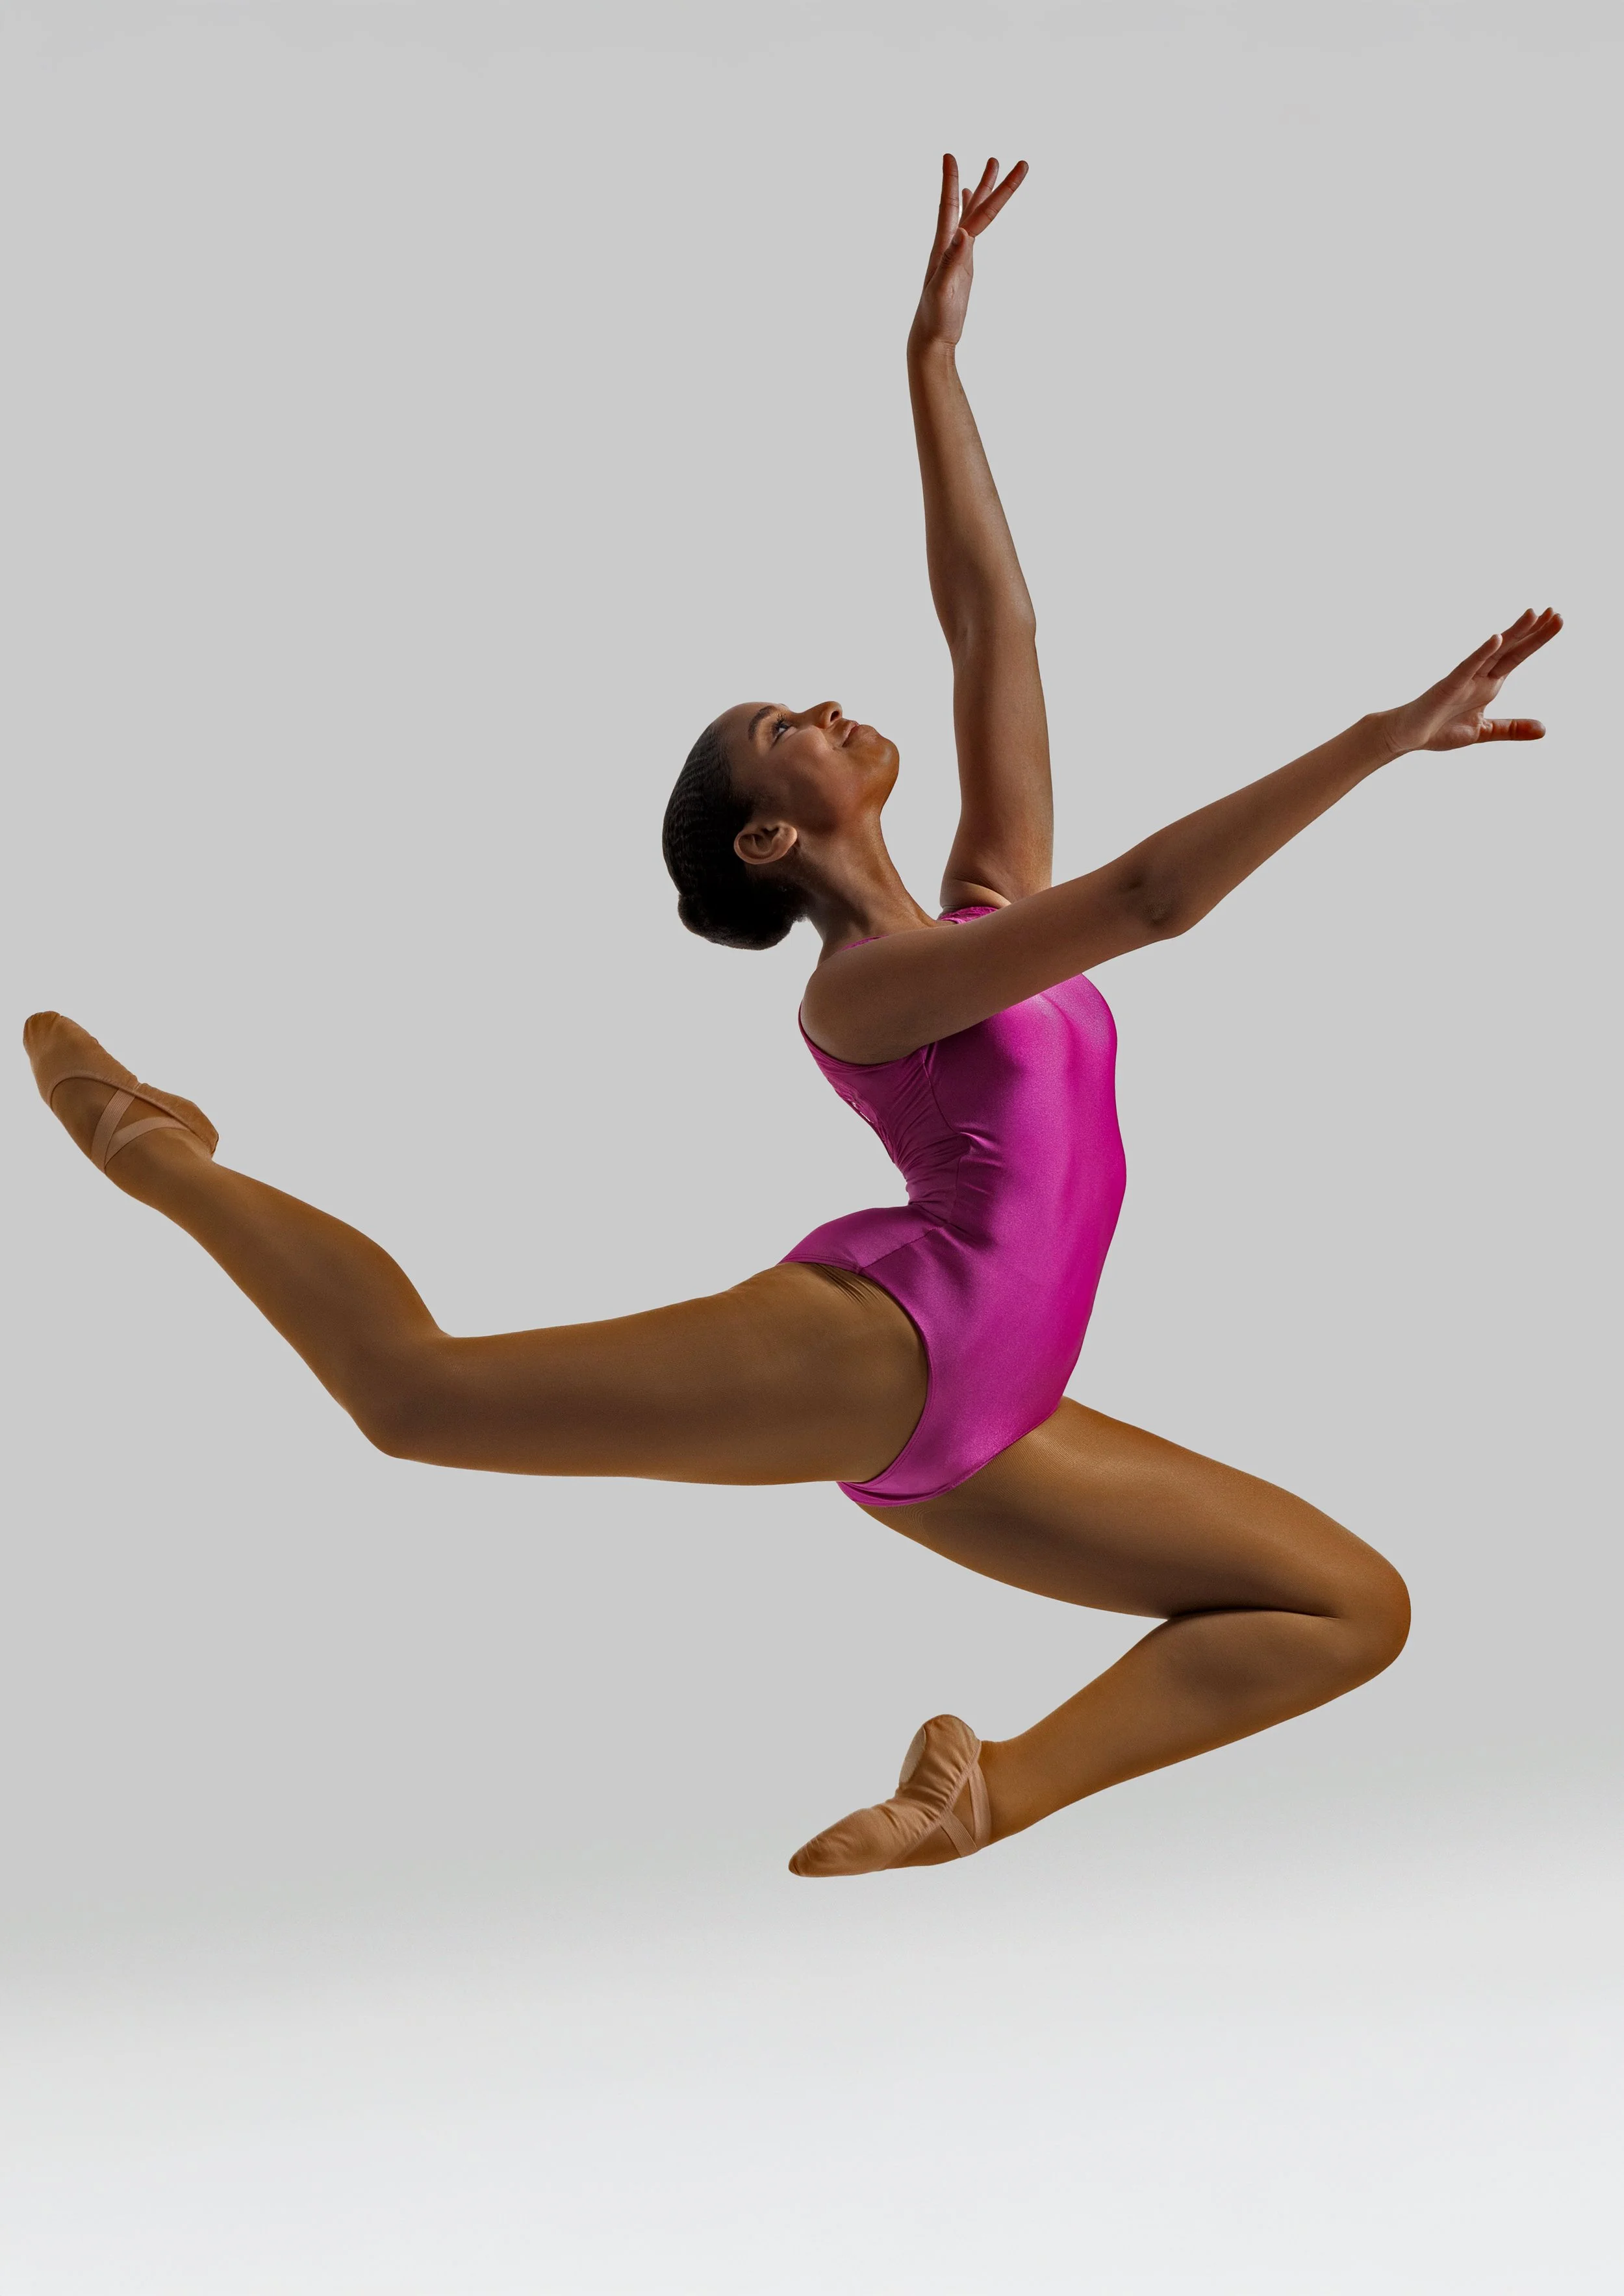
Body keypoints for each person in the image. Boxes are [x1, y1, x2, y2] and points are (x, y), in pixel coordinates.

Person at [25, 157, 1561, 1878]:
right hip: (898, 1340)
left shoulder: (982, 903)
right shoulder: (869, 989)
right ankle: (155, 1149)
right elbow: (1151, 903)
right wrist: (1378, 735)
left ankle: (987, 1790)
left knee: (1342, 1606)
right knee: (419, 1393)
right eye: (788, 726)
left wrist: (932, 366)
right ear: (772, 835)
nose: (830, 705)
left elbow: (996, 624)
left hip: (997, 1409)